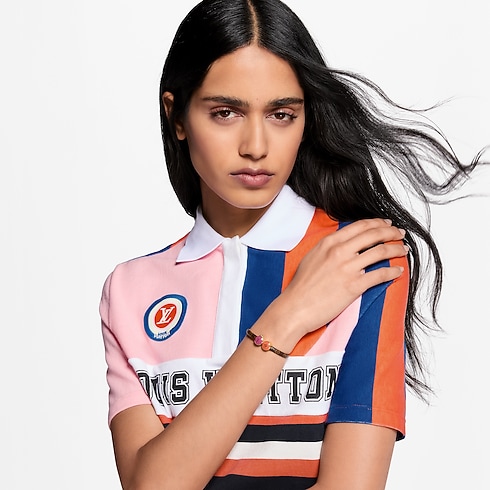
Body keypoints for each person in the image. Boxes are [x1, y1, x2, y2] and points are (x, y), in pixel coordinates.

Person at [99, 1, 486, 488]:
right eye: (225, 113)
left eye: (281, 114)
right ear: (176, 116)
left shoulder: (363, 262)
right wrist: (287, 316)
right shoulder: (130, 291)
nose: (256, 146)